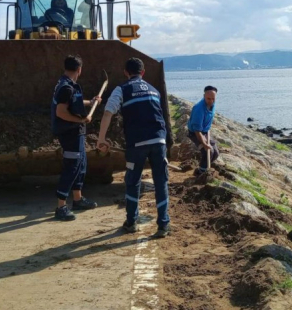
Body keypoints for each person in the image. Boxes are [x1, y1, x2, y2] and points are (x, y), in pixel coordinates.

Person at [97, 58, 171, 238]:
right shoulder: (154, 90)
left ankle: (131, 222)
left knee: (133, 181)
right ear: (143, 72)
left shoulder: (121, 89)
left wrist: (101, 139)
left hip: (137, 143)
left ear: (125, 72)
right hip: (159, 141)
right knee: (161, 182)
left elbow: (108, 112)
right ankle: (163, 225)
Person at [51, 54, 102, 221]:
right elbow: (61, 112)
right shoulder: (66, 87)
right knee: (72, 167)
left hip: (76, 133)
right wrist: (81, 120)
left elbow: (74, 101)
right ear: (79, 69)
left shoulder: (68, 85)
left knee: (81, 165)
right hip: (70, 133)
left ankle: (78, 199)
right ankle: (61, 207)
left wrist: (91, 102)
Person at [187, 86, 218, 174]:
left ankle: (205, 169)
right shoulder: (199, 109)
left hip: (205, 131)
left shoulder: (212, 104)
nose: (211, 101)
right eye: (208, 99)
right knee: (208, 152)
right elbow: (197, 131)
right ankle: (200, 173)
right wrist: (204, 144)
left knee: (216, 153)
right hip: (195, 133)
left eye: (213, 98)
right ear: (204, 96)